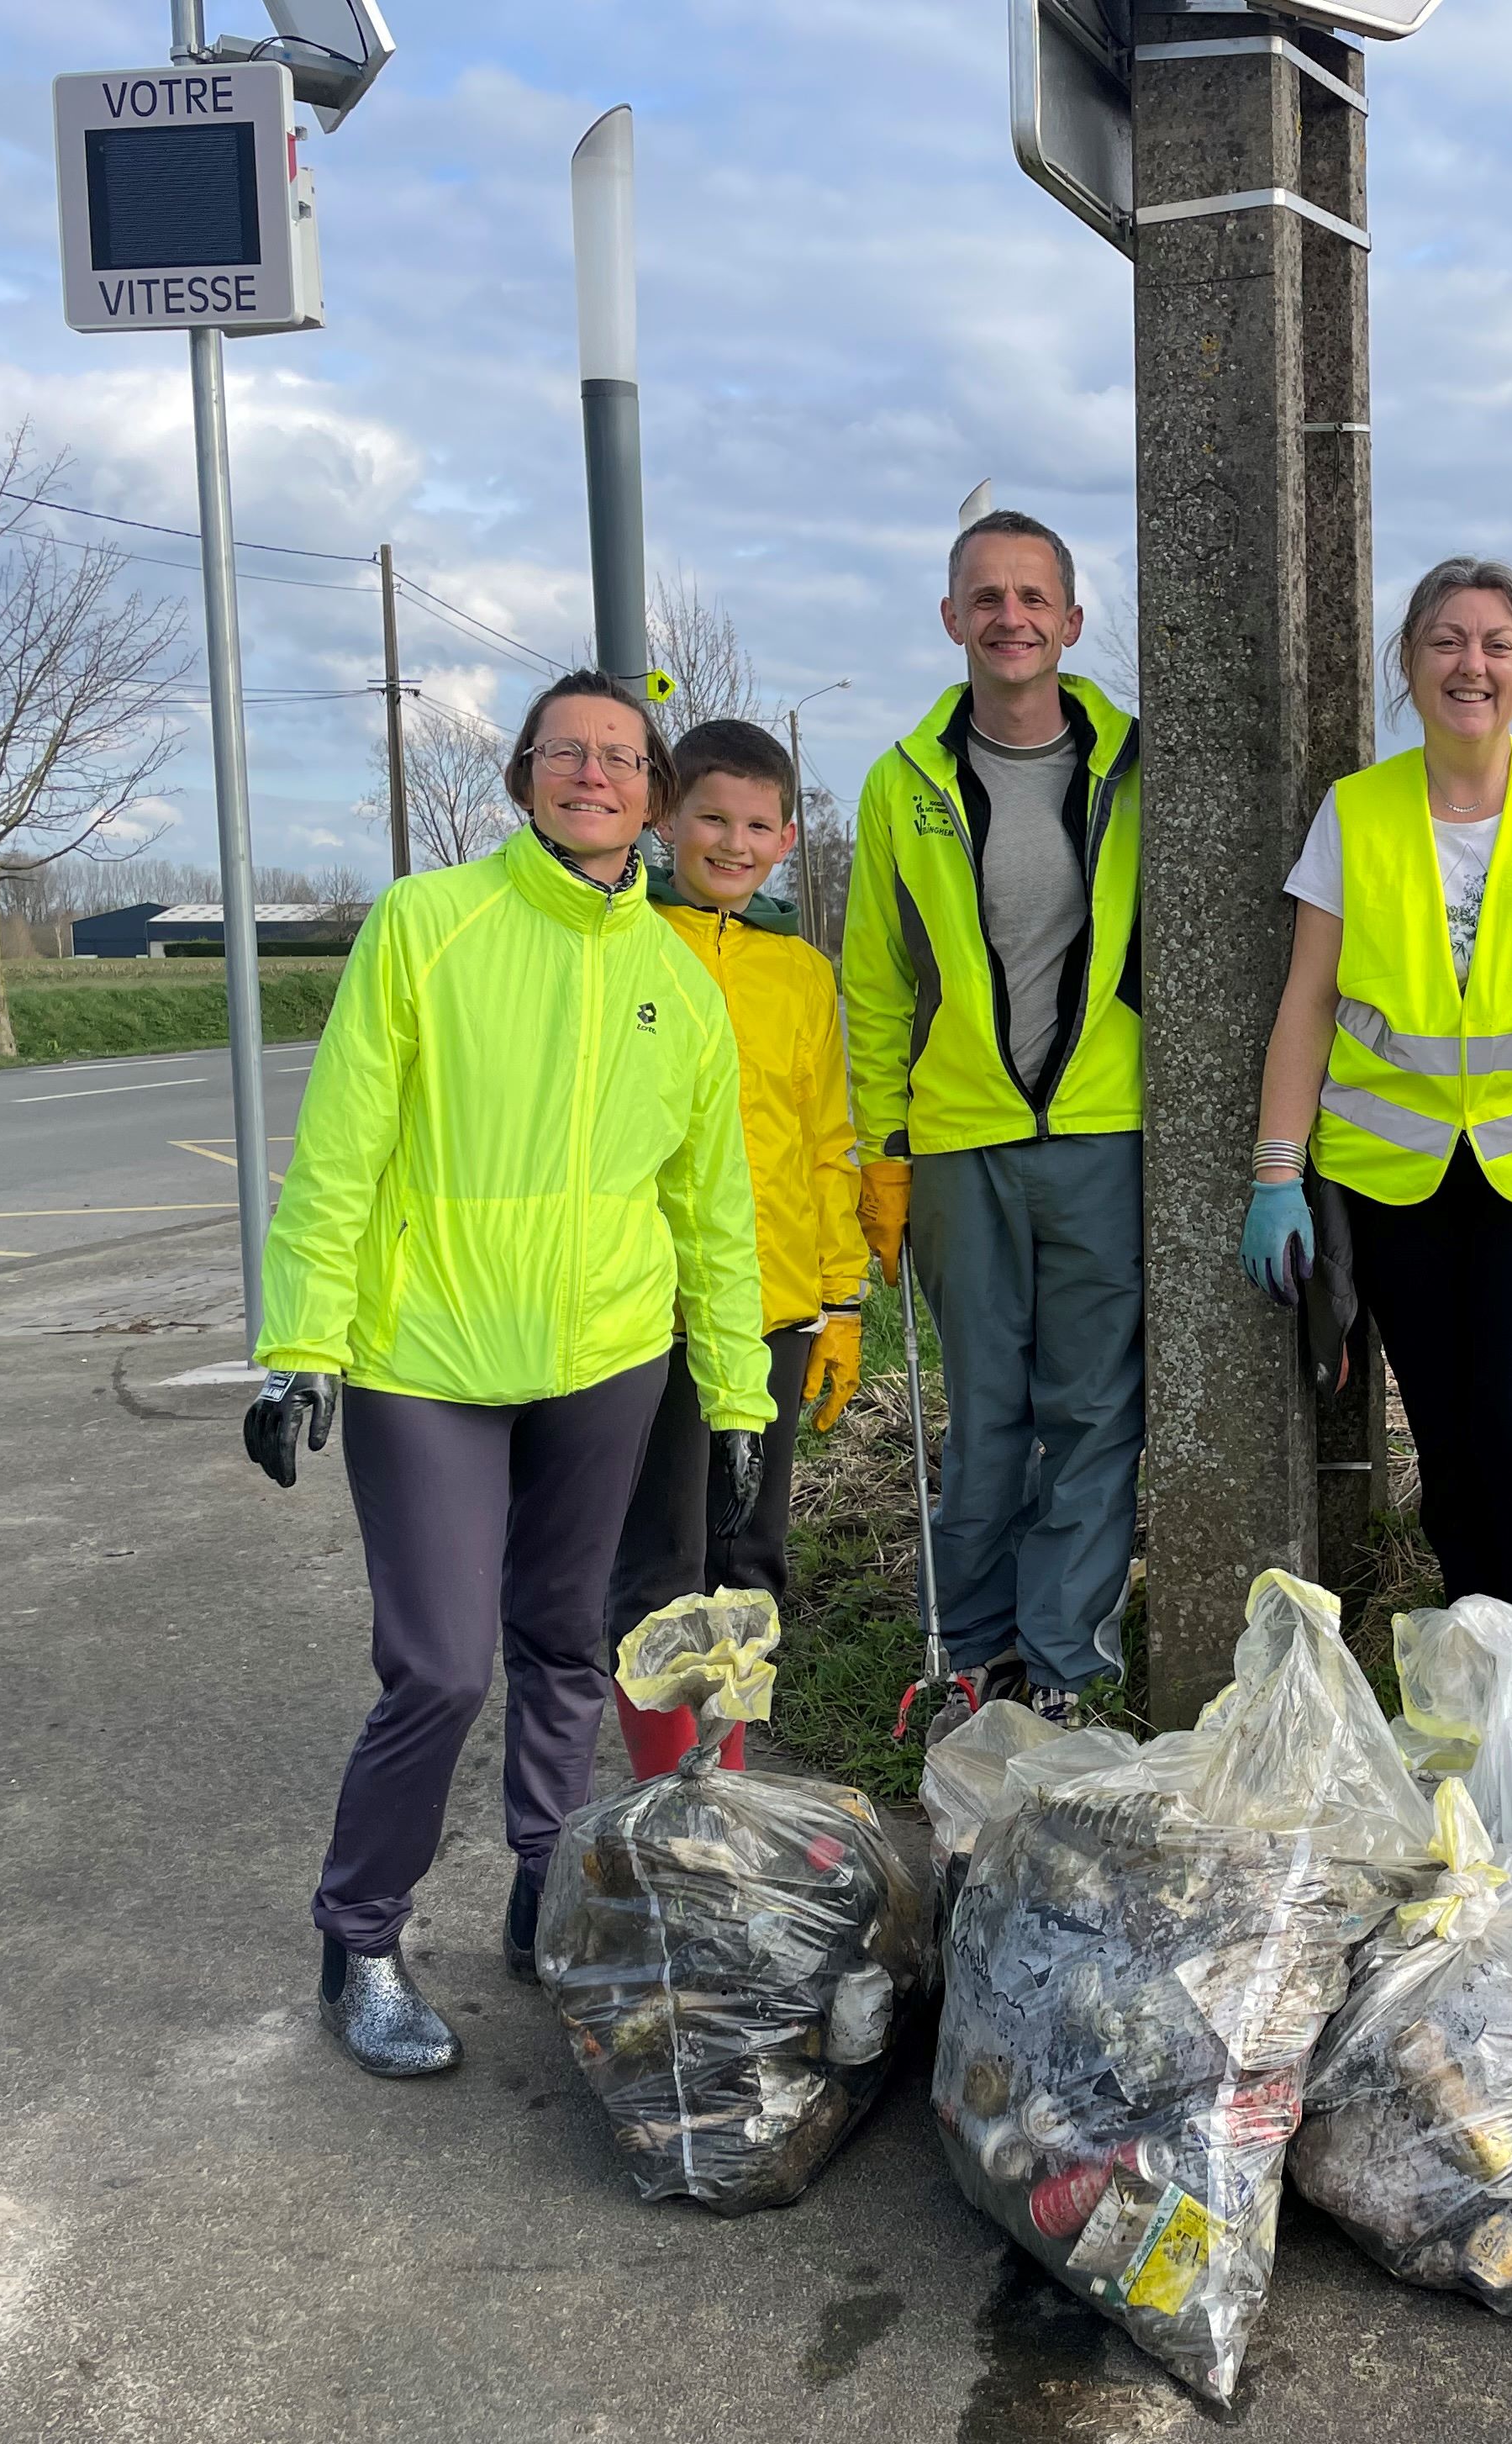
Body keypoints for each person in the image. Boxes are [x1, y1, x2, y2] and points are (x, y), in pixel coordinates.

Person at [249, 669, 772, 2076]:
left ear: (653, 796)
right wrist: (300, 1339)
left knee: (559, 1644)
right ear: (522, 777)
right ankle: (360, 1931)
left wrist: (737, 1390)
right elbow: (342, 1144)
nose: (593, 774)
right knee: (434, 1664)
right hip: (428, 1349)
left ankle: (544, 1891)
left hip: (605, 1356)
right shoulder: (429, 923)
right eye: (566, 752)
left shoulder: (677, 976)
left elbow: (712, 1207)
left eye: (620, 756)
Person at [1240, 557, 1512, 1705]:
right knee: (1449, 1449)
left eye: (1495, 642)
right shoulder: (1358, 811)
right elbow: (1310, 999)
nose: (1469, 663)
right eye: (1444, 640)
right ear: (1410, 664)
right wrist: (1276, 1172)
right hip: (1400, 1185)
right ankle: (1486, 1692)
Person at [842, 509, 1143, 1729]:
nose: (1009, 617)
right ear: (953, 618)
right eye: (986, 596)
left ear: (1071, 624)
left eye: (1033, 598)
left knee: (1091, 1413)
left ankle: (1064, 1666)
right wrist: (883, 1151)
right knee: (987, 1418)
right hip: (957, 1144)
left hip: (1102, 1134)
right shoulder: (900, 781)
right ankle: (967, 1659)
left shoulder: (1138, 766)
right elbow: (873, 983)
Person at [603, 717, 867, 1779]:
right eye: (712, 817)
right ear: (667, 818)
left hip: (776, 1304)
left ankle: (732, 1785)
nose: (733, 842)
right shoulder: (624, 943)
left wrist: (840, 1299)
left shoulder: (802, 973)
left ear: (789, 839)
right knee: (660, 1558)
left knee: (747, 1553)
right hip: (651, 1306)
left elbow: (825, 1140)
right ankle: (668, 1788)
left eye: (758, 825)